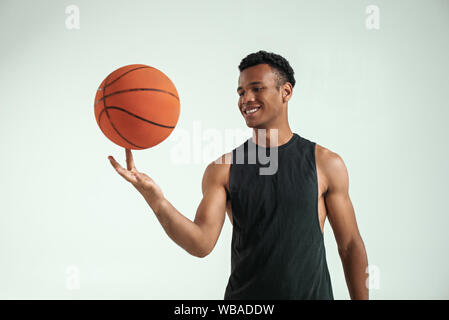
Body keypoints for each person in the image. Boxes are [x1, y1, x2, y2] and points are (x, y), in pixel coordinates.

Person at [108, 50, 369, 300]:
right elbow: (201, 243)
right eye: (241, 92)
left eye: (257, 88)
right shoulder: (223, 169)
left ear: (286, 92)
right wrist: (156, 199)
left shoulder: (325, 163)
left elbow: (350, 245)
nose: (246, 99)